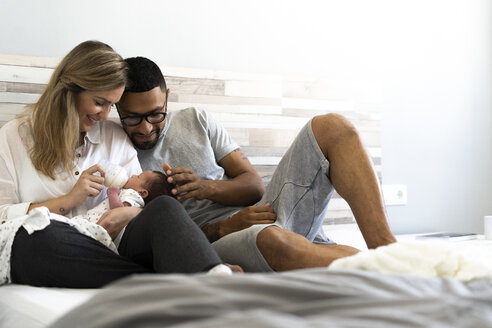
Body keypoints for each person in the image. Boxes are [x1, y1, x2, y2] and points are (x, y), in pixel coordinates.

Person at [116, 56, 397, 272]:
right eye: (132, 118)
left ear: (166, 97)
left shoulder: (196, 119)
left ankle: (390, 253)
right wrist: (224, 227)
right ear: (116, 107)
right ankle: (391, 271)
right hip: (214, 241)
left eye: (155, 114)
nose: (145, 128)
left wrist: (207, 187)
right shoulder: (114, 150)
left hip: (262, 211)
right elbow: (145, 244)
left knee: (331, 126)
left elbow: (252, 185)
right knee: (273, 240)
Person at [0, 41, 234, 288]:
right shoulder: (13, 137)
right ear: (68, 92)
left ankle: (213, 279)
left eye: (112, 105)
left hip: (115, 244)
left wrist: (132, 211)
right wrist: (67, 201)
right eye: (100, 102)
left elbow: (138, 196)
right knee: (30, 238)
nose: (104, 115)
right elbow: (3, 218)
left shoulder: (113, 137)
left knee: (164, 207)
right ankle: (162, 282)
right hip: (58, 246)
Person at [70, 170, 174, 251]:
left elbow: (120, 210)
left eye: (138, 177)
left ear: (142, 193)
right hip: (97, 224)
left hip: (99, 226)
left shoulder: (132, 195)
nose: (133, 175)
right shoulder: (129, 194)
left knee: (70, 227)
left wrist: (112, 194)